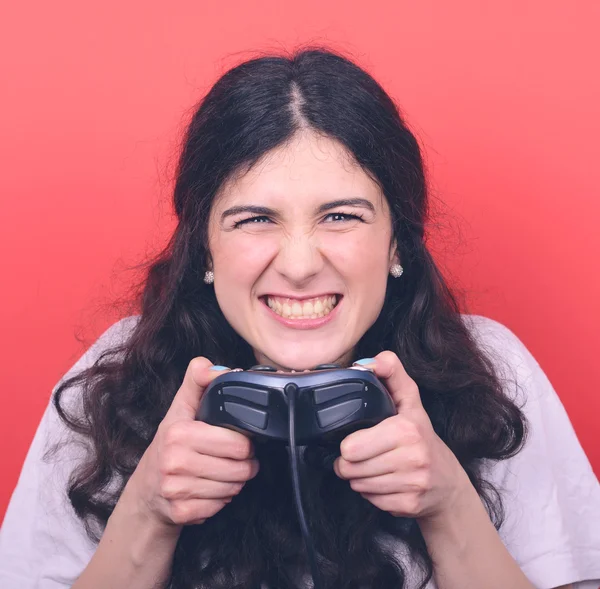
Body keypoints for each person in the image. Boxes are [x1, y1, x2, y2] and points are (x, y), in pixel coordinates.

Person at [1, 47, 599, 589]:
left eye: (340, 216)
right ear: (204, 250)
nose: (299, 264)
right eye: (255, 219)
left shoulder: (491, 369)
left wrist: (449, 504)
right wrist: (147, 512)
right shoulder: (116, 379)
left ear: (396, 244)